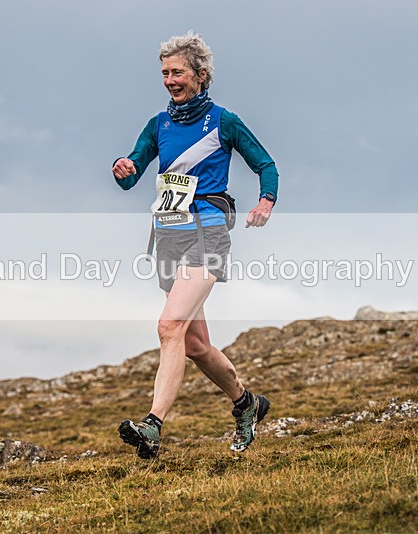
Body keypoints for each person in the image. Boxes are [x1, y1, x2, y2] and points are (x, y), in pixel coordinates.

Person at [112, 30, 279, 459]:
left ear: (201, 75)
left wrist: (266, 200)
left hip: (208, 233)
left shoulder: (223, 121)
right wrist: (123, 168)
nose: (170, 80)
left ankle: (152, 426)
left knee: (169, 327)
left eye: (178, 72)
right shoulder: (158, 125)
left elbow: (266, 165)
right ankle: (246, 403)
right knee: (194, 345)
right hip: (170, 237)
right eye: (165, 73)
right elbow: (132, 174)